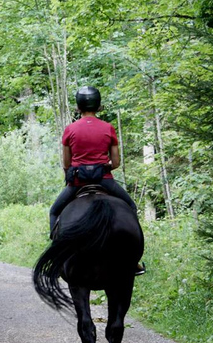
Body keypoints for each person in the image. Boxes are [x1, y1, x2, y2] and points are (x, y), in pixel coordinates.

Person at [49, 86, 145, 275]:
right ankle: (134, 260)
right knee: (131, 207)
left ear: (78, 107)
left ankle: (58, 258)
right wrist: (103, 167)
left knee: (55, 211)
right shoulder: (108, 128)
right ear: (98, 105)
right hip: (104, 180)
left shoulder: (70, 129)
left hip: (77, 182)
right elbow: (116, 162)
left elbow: (67, 164)